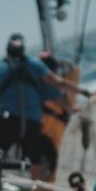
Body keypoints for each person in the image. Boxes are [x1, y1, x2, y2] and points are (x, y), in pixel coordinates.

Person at [0, 33, 89, 180]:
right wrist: (83, 92)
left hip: (8, 120)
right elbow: (57, 83)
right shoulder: (34, 66)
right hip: (32, 123)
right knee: (35, 160)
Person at [37, 51, 76, 183]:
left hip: (50, 131)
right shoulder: (51, 88)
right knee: (51, 164)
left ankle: (46, 190)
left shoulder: (40, 85)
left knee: (49, 164)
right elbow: (67, 104)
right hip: (49, 132)